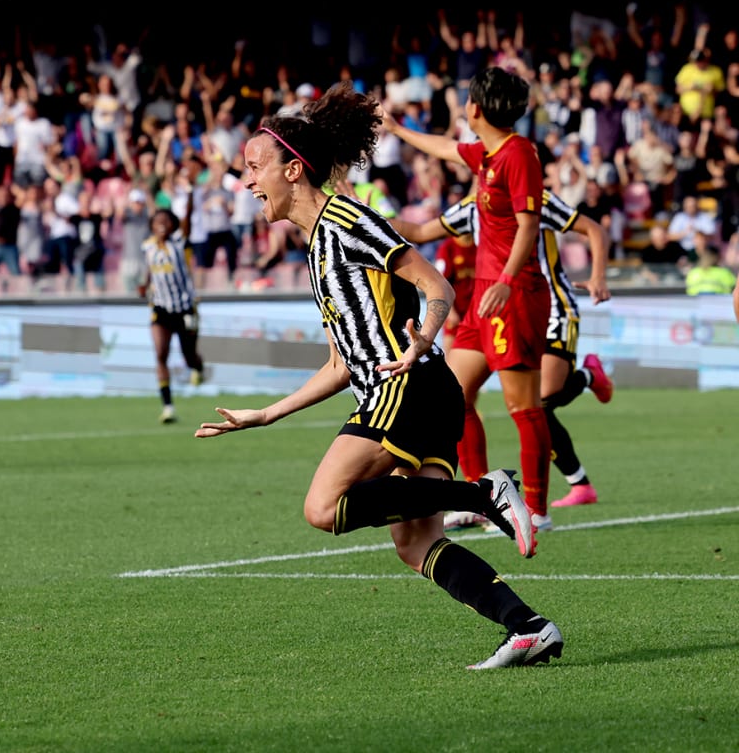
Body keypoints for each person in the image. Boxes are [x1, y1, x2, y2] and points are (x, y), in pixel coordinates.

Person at [194, 81, 563, 669]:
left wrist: (422, 340)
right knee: (415, 542)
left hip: (408, 386)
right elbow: (342, 364)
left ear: (294, 171)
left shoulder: (346, 221)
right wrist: (267, 414)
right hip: (413, 391)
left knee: (323, 508)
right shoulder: (318, 247)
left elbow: (434, 286)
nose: (247, 182)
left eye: (255, 167)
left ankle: (483, 492)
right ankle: (529, 627)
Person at [380, 66, 554, 531]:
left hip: (513, 294)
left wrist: (506, 278)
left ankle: (536, 509)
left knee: (523, 405)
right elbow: (446, 148)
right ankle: (481, 495)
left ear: (475, 108)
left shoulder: (519, 155)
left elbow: (528, 225)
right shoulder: (489, 156)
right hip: (484, 297)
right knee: (453, 398)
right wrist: (397, 129)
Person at [392, 188, 613, 514]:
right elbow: (421, 231)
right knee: (455, 395)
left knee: (543, 397)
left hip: (548, 305)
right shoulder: (475, 203)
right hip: (497, 308)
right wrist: (365, 217)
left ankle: (587, 378)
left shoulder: (534, 196)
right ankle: (478, 499)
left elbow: (594, 229)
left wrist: (598, 276)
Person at [140, 208, 205, 423]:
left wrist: (188, 193)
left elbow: (187, 218)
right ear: (151, 225)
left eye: (166, 221)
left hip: (185, 308)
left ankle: (198, 367)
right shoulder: (148, 246)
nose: (161, 224)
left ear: (173, 225)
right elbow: (151, 268)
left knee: (189, 356)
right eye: (157, 221)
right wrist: (145, 284)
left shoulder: (179, 243)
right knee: (160, 354)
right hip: (161, 308)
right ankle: (168, 407)